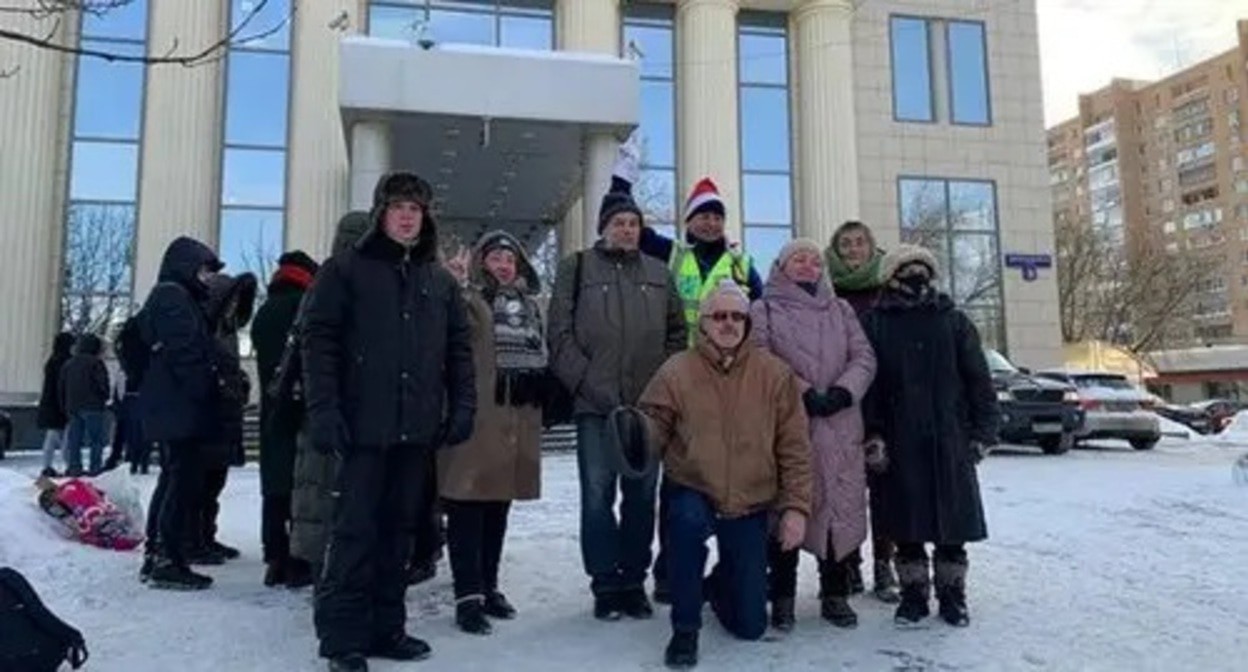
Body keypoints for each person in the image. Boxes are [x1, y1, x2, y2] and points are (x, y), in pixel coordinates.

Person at [304, 172, 476, 672]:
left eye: (416, 209)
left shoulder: (439, 282)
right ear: (381, 213)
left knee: (400, 533)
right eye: (398, 206)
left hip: (416, 431)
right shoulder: (345, 270)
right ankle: (343, 639)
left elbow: (459, 352)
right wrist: (324, 410)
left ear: (426, 219)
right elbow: (320, 342)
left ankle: (387, 628)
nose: (407, 216)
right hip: (360, 429)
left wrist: (461, 408)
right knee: (355, 533)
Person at [638, 281, 813, 669]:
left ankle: (717, 586)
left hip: (751, 498)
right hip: (694, 485)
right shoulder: (676, 370)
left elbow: (795, 447)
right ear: (704, 323)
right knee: (683, 526)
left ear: (748, 324)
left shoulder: (775, 374)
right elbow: (655, 423)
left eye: (737, 316)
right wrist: (638, 435)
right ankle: (685, 628)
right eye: (720, 316)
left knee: (750, 626)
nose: (729, 323)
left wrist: (796, 508)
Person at [547, 176, 686, 622]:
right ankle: (605, 583)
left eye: (633, 222)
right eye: (619, 222)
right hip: (596, 407)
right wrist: (588, 383)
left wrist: (660, 389)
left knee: (642, 497)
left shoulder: (659, 272)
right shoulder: (579, 267)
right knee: (596, 495)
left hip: (648, 411)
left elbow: (677, 334)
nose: (626, 229)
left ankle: (632, 580)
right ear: (604, 227)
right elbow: (560, 334)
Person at [860, 245, 998, 628]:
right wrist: (872, 434)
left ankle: (953, 596)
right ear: (891, 277)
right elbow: (868, 385)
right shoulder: (875, 323)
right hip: (898, 440)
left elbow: (979, 382)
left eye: (923, 268)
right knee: (907, 526)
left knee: (952, 526)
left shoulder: (953, 321)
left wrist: (983, 433)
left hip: (950, 438)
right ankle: (913, 596)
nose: (915, 275)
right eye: (907, 269)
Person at [750, 239, 877, 630]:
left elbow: (864, 356)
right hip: (789, 420)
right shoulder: (764, 308)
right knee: (786, 507)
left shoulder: (840, 309)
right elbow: (759, 355)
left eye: (814, 260)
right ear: (782, 266)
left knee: (839, 507)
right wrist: (802, 391)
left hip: (840, 423)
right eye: (798, 259)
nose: (808, 265)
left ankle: (835, 593)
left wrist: (843, 390)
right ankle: (782, 596)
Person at [439, 231, 546, 635]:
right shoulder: (472, 301)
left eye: (510, 258)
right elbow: (452, 330)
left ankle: (489, 585)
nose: (504, 265)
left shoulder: (529, 308)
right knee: (467, 507)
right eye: (496, 257)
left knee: (499, 507)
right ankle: (468, 595)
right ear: (482, 263)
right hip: (475, 419)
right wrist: (455, 283)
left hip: (514, 421)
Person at [136, 236, 225, 591]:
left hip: (172, 406)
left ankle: (160, 553)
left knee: (173, 478)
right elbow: (187, 351)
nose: (208, 278)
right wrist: (206, 386)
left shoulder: (172, 295)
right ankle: (166, 556)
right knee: (179, 479)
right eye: (204, 270)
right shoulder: (174, 297)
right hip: (179, 407)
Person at [289, 212, 371, 585]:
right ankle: (334, 586)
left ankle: (331, 579)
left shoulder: (323, 282)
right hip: (340, 407)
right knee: (332, 498)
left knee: (323, 497)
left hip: (323, 410)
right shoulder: (344, 284)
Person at [824, 219, 895, 601]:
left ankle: (885, 566)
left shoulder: (888, 288)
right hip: (843, 402)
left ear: (872, 248)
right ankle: (849, 564)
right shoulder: (826, 291)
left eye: (859, 243)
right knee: (846, 490)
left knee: (884, 486)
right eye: (845, 244)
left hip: (882, 401)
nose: (853, 250)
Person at [252, 250, 319, 588]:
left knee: (274, 484)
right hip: (302, 407)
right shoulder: (304, 306)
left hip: (271, 407)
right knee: (299, 483)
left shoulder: (265, 311)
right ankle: (297, 560)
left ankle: (274, 556)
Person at [188, 271, 257, 565]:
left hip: (225, 416)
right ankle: (192, 540)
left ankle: (206, 535)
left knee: (214, 483)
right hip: (209, 418)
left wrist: (237, 382)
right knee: (199, 484)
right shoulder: (204, 331)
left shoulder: (226, 331)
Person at [59, 333, 111, 477]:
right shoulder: (96, 363)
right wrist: (104, 396)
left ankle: (74, 467)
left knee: (74, 439)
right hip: (93, 406)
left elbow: (61, 387)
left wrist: (64, 404)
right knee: (96, 440)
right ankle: (95, 468)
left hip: (73, 406)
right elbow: (102, 384)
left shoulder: (69, 364)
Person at [36, 332, 75, 478]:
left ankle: (47, 466)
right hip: (61, 405)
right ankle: (70, 465)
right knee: (65, 438)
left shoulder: (52, 361)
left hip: (49, 404)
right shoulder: (66, 362)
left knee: (52, 437)